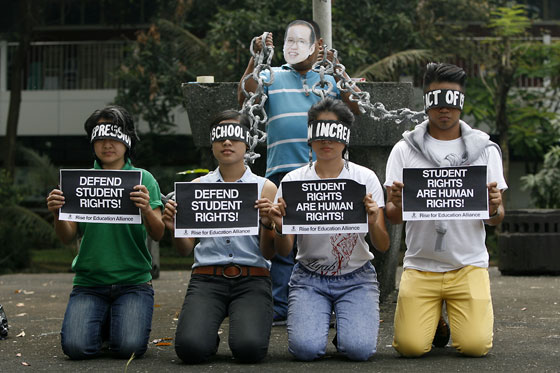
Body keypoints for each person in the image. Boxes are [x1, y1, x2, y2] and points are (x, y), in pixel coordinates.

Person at [238, 19, 360, 325]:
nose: (295, 46)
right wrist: (256, 56)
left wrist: (339, 69)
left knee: (324, 240)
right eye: (290, 41)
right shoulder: (271, 74)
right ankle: (281, 306)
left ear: (318, 45)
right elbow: (245, 98)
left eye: (303, 41)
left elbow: (356, 106)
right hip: (282, 172)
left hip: (323, 175)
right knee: (283, 240)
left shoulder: (329, 80)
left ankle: (327, 304)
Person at [384, 62, 507, 357]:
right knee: (410, 347)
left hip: (468, 265)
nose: (444, 109)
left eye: (451, 100)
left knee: (476, 347)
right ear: (426, 101)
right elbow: (392, 215)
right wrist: (397, 204)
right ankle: (434, 317)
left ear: (461, 103)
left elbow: (496, 219)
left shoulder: (485, 150)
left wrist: (495, 208)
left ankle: (447, 310)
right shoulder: (404, 150)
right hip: (420, 265)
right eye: (437, 100)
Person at [267, 98, 390, 361]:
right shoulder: (293, 181)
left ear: (345, 137)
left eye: (333, 132)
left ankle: (347, 330)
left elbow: (382, 245)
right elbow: (284, 249)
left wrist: (373, 218)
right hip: (308, 276)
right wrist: (279, 227)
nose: (326, 140)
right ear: (310, 137)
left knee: (359, 350)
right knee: (305, 350)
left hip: (356, 276)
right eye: (318, 132)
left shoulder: (365, 178)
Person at [46, 105, 164, 359]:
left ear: (128, 140)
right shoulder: (79, 182)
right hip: (89, 283)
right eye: (99, 137)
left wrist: (146, 210)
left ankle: (113, 322)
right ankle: (105, 322)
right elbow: (68, 237)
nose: (107, 144)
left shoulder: (144, 179)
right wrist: (57, 213)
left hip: (134, 282)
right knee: (76, 348)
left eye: (114, 136)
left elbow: (158, 233)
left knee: (129, 348)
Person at [163, 110, 277, 364]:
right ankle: (204, 332)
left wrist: (269, 225)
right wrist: (174, 227)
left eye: (235, 137)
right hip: (206, 279)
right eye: (220, 137)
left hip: (252, 279)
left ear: (247, 143)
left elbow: (270, 253)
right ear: (212, 143)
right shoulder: (194, 189)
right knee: (190, 349)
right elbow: (184, 250)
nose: (227, 142)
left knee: (249, 350)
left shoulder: (266, 188)